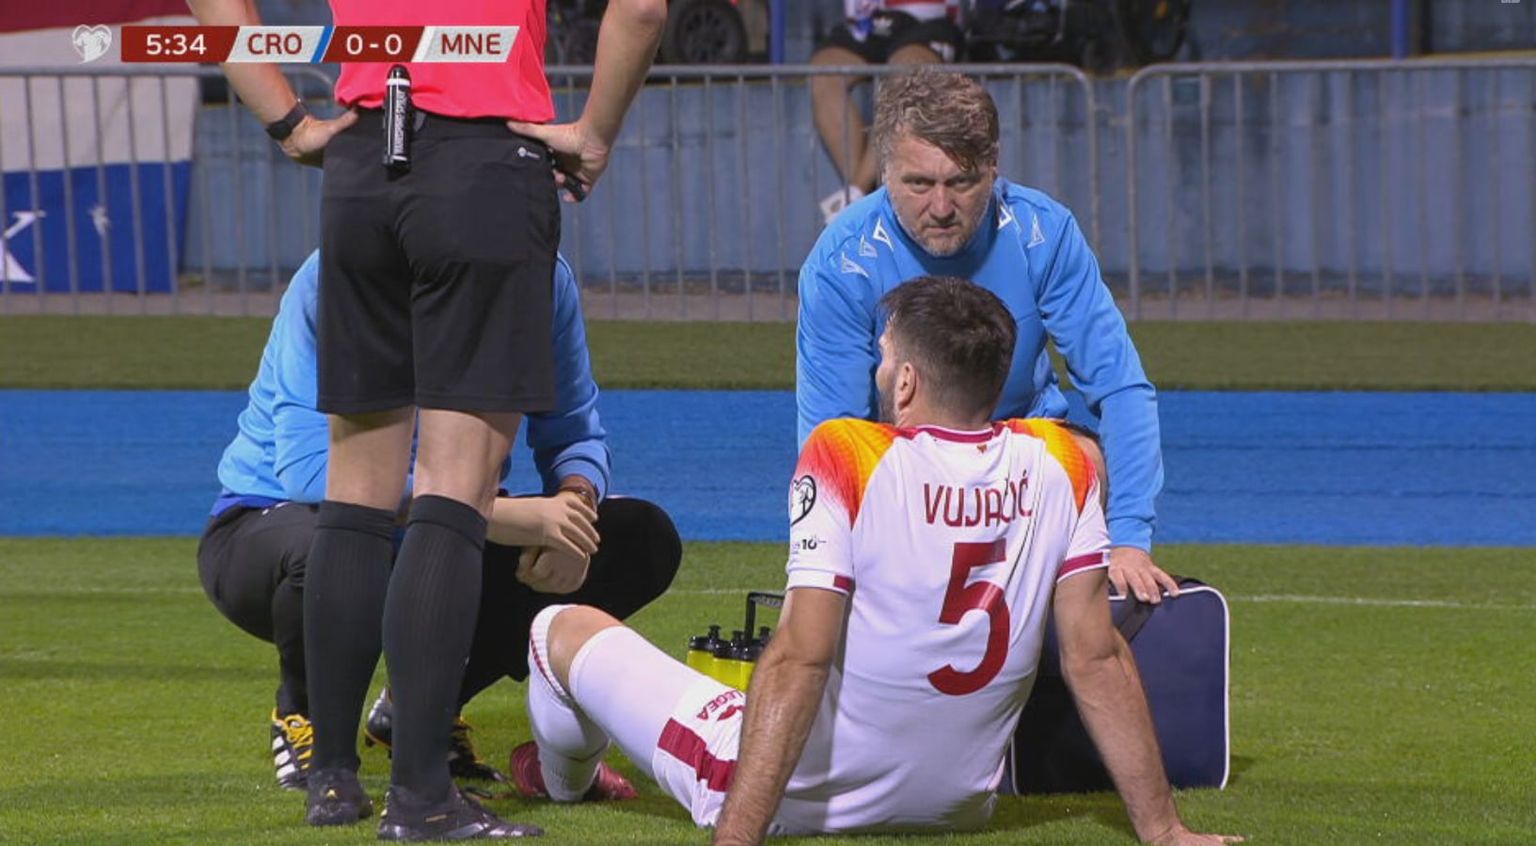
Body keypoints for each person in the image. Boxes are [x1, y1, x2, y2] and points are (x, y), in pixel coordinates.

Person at [513, 277, 1241, 845]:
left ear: (907, 381)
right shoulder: (1066, 461)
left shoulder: (847, 453)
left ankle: (565, 781)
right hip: (959, 806)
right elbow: (1096, 655)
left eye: (886, 356)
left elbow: (800, 657)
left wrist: (735, 836)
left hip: (801, 797)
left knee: (558, 629)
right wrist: (1164, 830)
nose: (880, 369)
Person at [187, 0, 666, 837]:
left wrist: (289, 121)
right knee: (452, 496)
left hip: (364, 161)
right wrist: (594, 133)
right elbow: (642, 8)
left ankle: (333, 779)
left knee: (357, 501)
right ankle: (420, 795)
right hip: (484, 160)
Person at [197, 250, 680, 798]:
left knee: (639, 537)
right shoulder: (346, 267)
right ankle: (305, 714)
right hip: (274, 522)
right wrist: (497, 514)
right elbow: (313, 472)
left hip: (441, 533)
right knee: (329, 543)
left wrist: (575, 509)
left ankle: (419, 710)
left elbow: (574, 429)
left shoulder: (541, 274)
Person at [797, 67, 1179, 606]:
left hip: (1020, 459)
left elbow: (1119, 386)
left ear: (994, 167)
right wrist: (830, 569)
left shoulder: (1043, 234)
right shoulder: (841, 262)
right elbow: (832, 437)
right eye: (918, 184)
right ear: (883, 171)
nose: (941, 208)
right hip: (904, 469)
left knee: (1084, 459)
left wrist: (1129, 540)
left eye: (961, 182)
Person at [811, 0, 964, 223]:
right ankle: (865, 196)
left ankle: (857, 195)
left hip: (931, 19)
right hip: (874, 19)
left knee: (907, 71)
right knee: (824, 71)